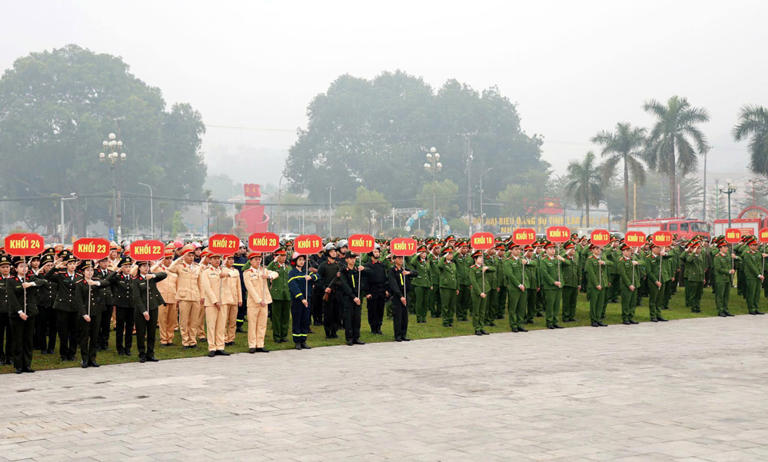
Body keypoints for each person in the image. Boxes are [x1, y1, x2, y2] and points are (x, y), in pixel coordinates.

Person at [8, 257, 48, 373]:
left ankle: (27, 364)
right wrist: (20, 312)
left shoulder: (31, 277)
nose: (24, 268)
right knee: (18, 340)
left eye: (25, 266)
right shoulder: (11, 280)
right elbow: (12, 298)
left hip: (30, 313)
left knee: (28, 340)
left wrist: (31, 283)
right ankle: (18, 365)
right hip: (17, 315)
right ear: (16, 269)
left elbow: (44, 282)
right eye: (21, 266)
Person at [166, 244, 204, 349]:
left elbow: (200, 283)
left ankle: (193, 341)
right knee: (184, 321)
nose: (191, 258)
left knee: (194, 321)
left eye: (192, 255)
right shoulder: (179, 266)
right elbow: (170, 268)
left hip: (195, 296)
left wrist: (202, 295)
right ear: (184, 256)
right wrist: (180, 259)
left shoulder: (197, 267)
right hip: (184, 297)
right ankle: (185, 341)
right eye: (189, 255)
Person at [46, 253, 82, 361]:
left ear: (76, 265)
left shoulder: (80, 276)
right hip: (62, 307)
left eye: (74, 263)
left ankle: (72, 354)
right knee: (63, 332)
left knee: (74, 332)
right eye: (70, 264)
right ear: (66, 265)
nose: (72, 266)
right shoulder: (61, 275)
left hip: (75, 307)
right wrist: (55, 267)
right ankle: (64, 354)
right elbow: (47, 277)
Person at [131, 260, 167, 363]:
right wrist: (144, 311)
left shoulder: (151, 277)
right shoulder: (136, 280)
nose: (146, 268)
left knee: (152, 332)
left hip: (153, 307)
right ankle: (142, 354)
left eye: (147, 265)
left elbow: (164, 274)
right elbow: (137, 298)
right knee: (141, 333)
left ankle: (150, 353)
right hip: (141, 310)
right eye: (143, 266)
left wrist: (153, 276)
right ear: (139, 268)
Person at [243, 252, 278, 353]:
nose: (258, 261)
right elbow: (250, 288)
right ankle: (252, 345)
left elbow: (276, 273)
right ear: (250, 261)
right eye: (256, 260)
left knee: (262, 324)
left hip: (265, 300)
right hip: (254, 302)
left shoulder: (263, 270)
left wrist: (268, 276)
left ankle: (260, 344)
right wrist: (258, 300)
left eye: (259, 259)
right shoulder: (247, 273)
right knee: (252, 324)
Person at [74, 260, 105, 368]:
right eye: (87, 270)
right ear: (83, 272)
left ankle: (93, 358)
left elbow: (107, 282)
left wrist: (95, 283)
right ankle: (84, 359)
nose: (90, 272)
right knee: (84, 337)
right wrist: (84, 314)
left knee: (95, 336)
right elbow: (78, 301)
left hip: (96, 312)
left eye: (91, 270)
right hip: (85, 314)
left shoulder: (96, 281)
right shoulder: (79, 283)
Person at [199, 254, 231, 357]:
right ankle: (212, 347)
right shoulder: (206, 272)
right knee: (211, 326)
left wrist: (226, 274)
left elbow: (235, 273)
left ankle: (220, 346)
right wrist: (215, 301)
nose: (217, 260)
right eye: (215, 259)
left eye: (218, 259)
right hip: (211, 303)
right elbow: (207, 288)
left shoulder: (223, 270)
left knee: (221, 326)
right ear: (210, 260)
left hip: (223, 301)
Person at [287, 252, 318, 350]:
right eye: (299, 260)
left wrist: (311, 277)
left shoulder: (306, 272)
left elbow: (318, 276)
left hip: (307, 300)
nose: (302, 262)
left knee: (305, 320)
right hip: (298, 301)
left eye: (303, 260)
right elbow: (294, 287)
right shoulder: (292, 273)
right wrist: (302, 298)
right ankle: (297, 341)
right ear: (295, 261)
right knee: (297, 320)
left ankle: (303, 340)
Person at [107, 256, 135, 355]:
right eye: (126, 266)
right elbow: (108, 279)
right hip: (121, 305)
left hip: (131, 306)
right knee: (120, 327)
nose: (128, 268)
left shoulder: (133, 278)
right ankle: (119, 348)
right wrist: (116, 271)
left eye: (129, 266)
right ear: (122, 267)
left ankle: (128, 347)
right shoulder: (117, 278)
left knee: (129, 327)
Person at [152, 248, 178, 346]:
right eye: (167, 258)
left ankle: (169, 338)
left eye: (170, 258)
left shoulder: (174, 270)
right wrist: (158, 263)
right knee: (162, 320)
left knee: (172, 320)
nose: (169, 260)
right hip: (161, 298)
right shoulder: (158, 269)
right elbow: (150, 271)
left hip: (173, 297)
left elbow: (178, 285)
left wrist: (178, 297)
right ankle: (163, 339)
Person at [338, 252, 365, 346]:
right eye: (351, 258)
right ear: (346, 259)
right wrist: (353, 297)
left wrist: (359, 296)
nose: (353, 260)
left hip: (358, 298)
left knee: (357, 318)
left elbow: (361, 283)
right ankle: (349, 338)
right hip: (348, 298)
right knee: (348, 318)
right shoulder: (343, 271)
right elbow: (345, 285)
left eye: (354, 258)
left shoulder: (357, 270)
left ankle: (356, 337)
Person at [388, 254, 415, 342]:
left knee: (405, 316)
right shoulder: (392, 270)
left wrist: (408, 273)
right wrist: (400, 296)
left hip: (406, 294)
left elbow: (416, 273)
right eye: (399, 258)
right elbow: (393, 284)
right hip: (397, 296)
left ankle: (404, 334)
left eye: (402, 258)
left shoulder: (404, 269)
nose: (401, 260)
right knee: (398, 316)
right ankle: (398, 335)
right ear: (395, 259)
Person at [361, 247, 388, 334]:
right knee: (372, 310)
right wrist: (367, 292)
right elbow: (364, 280)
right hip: (372, 290)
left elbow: (385, 278)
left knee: (380, 309)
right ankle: (373, 328)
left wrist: (386, 289)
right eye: (375, 252)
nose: (377, 253)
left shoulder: (381, 265)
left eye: (378, 252)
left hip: (381, 290)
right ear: (371, 254)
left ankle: (379, 327)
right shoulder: (367, 266)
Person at [267, 248, 291, 343]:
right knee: (276, 317)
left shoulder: (288, 267)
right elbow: (267, 270)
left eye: (285, 255)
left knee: (285, 316)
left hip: (287, 294)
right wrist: (274, 261)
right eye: (281, 255)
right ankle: (277, 336)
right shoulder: (274, 266)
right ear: (277, 257)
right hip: (277, 294)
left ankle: (284, 335)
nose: (284, 257)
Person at [502, 243, 527, 333]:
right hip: (514, 287)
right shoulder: (508, 261)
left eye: (519, 249)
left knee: (521, 307)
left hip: (524, 286)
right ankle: (513, 325)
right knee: (513, 307)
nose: (518, 251)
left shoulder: (522, 260)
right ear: (511, 251)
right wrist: (519, 285)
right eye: (516, 249)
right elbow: (510, 275)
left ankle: (520, 324)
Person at [468, 250, 495, 335]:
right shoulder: (472, 269)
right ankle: (477, 328)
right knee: (476, 311)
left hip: (485, 290)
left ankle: (481, 327)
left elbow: (494, 269)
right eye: (479, 257)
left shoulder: (483, 267)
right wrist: (480, 293)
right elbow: (474, 282)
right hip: (477, 292)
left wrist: (487, 268)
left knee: (483, 311)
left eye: (482, 257)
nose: (482, 259)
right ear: (475, 259)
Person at [317, 244, 341, 339]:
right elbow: (318, 279)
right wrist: (324, 288)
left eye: (335, 251)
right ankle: (328, 332)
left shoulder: (338, 265)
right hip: (327, 293)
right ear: (327, 253)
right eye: (331, 251)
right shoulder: (323, 266)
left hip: (337, 292)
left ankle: (334, 331)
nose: (334, 253)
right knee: (328, 314)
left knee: (337, 313)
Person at [35, 253, 57, 355]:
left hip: (54, 305)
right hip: (42, 305)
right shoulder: (39, 276)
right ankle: (43, 347)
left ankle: (51, 347)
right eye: (47, 265)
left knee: (53, 327)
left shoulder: (56, 276)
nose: (50, 267)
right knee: (42, 327)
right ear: (43, 266)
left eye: (51, 265)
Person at [221, 254, 243, 346]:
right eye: (229, 259)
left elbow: (238, 286)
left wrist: (240, 298)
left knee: (233, 320)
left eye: (232, 259)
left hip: (234, 298)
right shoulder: (221, 270)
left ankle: (231, 338)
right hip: (225, 299)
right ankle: (224, 338)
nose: (231, 261)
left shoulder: (235, 271)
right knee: (224, 320)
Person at [94, 256, 115, 351]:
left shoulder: (111, 272)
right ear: (99, 262)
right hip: (98, 301)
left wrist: (113, 298)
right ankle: (97, 343)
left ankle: (105, 343)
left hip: (108, 301)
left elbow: (113, 287)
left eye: (106, 261)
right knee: (98, 323)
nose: (105, 263)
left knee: (106, 323)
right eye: (103, 261)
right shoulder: (95, 272)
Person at [617, 243, 640, 325]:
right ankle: (625, 318)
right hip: (626, 285)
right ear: (623, 252)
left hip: (635, 283)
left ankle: (631, 317)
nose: (629, 252)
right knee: (626, 302)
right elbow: (623, 275)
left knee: (633, 302)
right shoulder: (621, 261)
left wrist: (636, 263)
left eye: (630, 251)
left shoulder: (632, 260)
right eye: (627, 251)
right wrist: (629, 284)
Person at [585, 244, 607, 327]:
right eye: (596, 248)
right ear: (592, 250)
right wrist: (597, 284)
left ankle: (598, 319)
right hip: (594, 285)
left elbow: (608, 266)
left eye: (599, 249)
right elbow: (591, 274)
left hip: (602, 284)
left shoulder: (601, 259)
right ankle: (593, 319)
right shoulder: (590, 260)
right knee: (594, 303)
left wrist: (603, 263)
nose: (598, 250)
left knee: (600, 303)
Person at [409, 245, 432, 323]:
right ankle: (419, 317)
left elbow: (429, 273)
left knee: (425, 302)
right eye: (422, 253)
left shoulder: (427, 261)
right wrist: (417, 254)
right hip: (419, 284)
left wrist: (431, 284)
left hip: (427, 284)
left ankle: (424, 317)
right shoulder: (417, 261)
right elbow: (412, 262)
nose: (424, 254)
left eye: (425, 253)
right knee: (419, 301)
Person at [713, 241, 736, 317]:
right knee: (720, 295)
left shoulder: (727, 256)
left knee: (726, 295)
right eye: (725, 247)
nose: (726, 248)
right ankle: (720, 310)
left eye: (726, 247)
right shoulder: (717, 257)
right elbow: (718, 268)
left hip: (727, 279)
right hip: (720, 279)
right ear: (720, 248)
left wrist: (731, 270)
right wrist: (729, 271)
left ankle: (725, 309)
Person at [438, 246, 458, 328]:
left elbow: (456, 276)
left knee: (452, 305)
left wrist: (457, 287)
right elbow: (439, 265)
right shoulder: (443, 263)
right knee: (445, 305)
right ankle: (445, 321)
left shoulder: (453, 264)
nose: (451, 255)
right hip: (445, 287)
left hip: (453, 286)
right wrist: (444, 257)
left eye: (451, 254)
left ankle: (450, 320)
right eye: (449, 254)